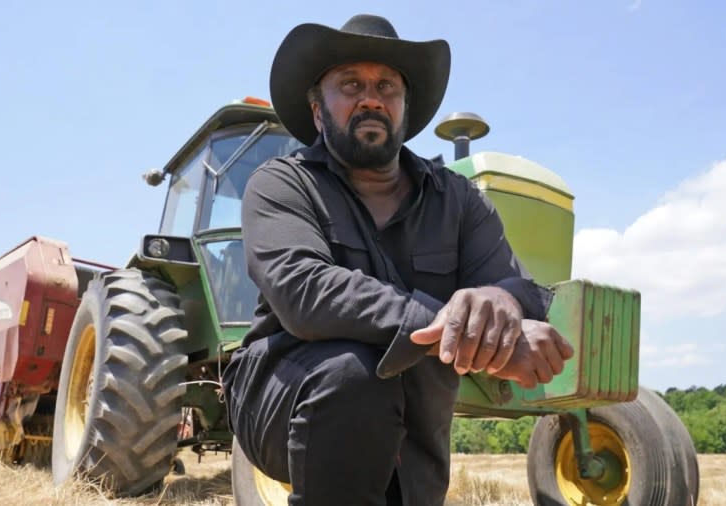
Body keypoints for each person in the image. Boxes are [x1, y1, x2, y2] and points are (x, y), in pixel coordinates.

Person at [222, 14, 574, 506]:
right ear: (319, 111)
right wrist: (457, 326)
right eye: (350, 84)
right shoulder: (282, 184)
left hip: (415, 422)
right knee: (356, 373)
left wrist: (499, 305)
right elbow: (305, 292)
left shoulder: (460, 200)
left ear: (405, 109)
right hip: (283, 396)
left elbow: (514, 286)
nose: (371, 97)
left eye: (386, 85)